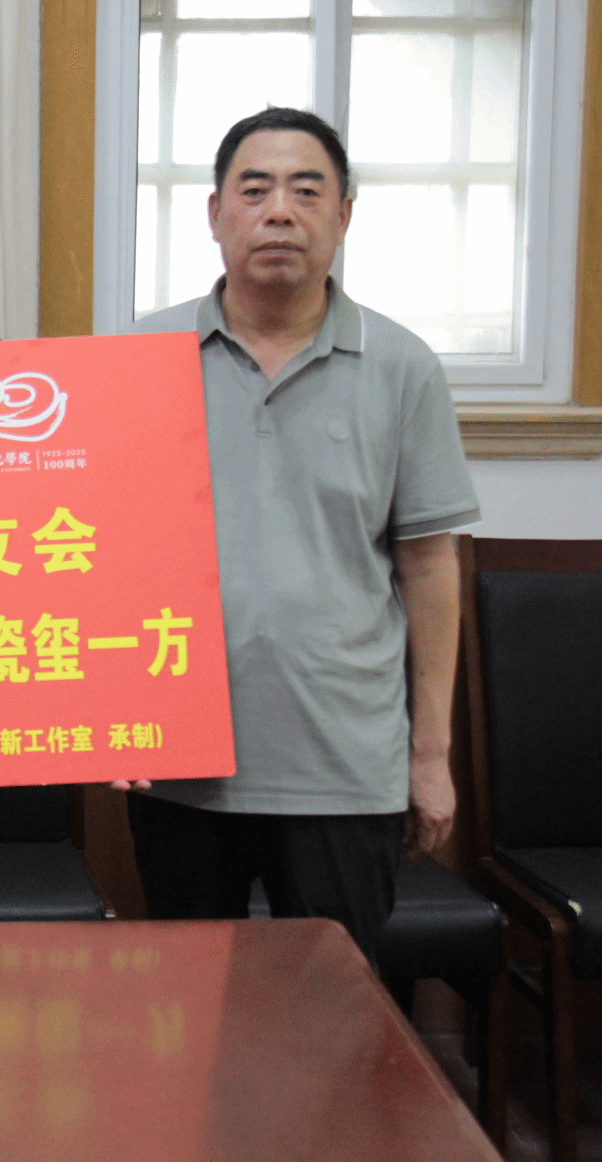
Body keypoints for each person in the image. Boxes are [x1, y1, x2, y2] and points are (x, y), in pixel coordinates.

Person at [117, 106, 477, 970]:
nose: (279, 211)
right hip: (182, 765)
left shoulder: (402, 366)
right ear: (215, 214)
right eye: (255, 189)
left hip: (344, 765)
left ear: (343, 216)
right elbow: (103, 551)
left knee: (334, 1017)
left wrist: (430, 755)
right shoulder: (139, 356)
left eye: (306, 191)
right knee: (188, 1016)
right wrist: (115, 715)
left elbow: (430, 567)